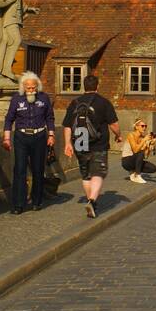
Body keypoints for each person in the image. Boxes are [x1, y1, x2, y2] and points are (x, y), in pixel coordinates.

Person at [61, 74, 121, 219]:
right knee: (98, 173)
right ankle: (92, 201)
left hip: (80, 143)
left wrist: (67, 143)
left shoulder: (75, 103)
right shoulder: (103, 102)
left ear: (84, 86)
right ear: (97, 86)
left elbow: (67, 125)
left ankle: (90, 201)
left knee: (86, 174)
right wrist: (118, 135)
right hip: (98, 144)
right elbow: (113, 124)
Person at [1, 71, 55, 214]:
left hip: (39, 136)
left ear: (38, 86)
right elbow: (9, 119)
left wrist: (51, 134)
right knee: (19, 170)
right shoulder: (16, 99)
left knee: (38, 169)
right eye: (28, 88)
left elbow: (50, 117)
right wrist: (6, 138)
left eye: (33, 87)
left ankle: (37, 201)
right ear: (23, 87)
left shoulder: (44, 99)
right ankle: (19, 204)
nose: (31, 90)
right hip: (21, 137)